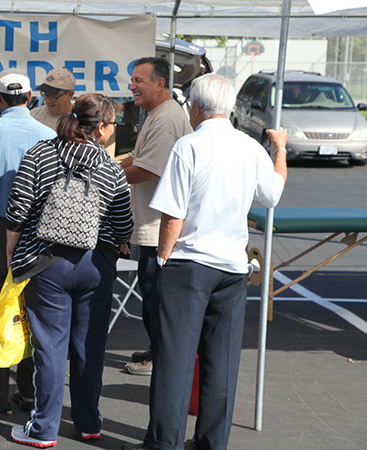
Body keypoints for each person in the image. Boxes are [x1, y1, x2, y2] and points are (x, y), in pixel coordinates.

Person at [124, 74, 288, 450]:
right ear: (230, 107)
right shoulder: (249, 148)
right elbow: (273, 194)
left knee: (174, 363)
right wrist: (279, 149)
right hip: (232, 268)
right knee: (221, 365)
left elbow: (172, 214)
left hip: (189, 265)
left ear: (195, 107)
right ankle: (212, 442)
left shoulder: (189, 146)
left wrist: (163, 259)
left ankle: (164, 444)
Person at [7, 94, 134, 447]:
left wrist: (11, 253)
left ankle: (43, 429)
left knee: (49, 348)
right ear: (102, 127)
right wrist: (120, 241)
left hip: (46, 263)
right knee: (89, 346)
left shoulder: (40, 154)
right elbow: (123, 221)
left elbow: (17, 209)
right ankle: (89, 422)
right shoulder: (110, 168)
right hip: (95, 265)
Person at [0, 69, 56, 414]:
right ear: (30, 97)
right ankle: (30, 390)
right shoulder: (47, 133)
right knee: (34, 304)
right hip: (37, 227)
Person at [119, 57, 192, 376]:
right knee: (152, 294)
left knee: (156, 295)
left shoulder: (164, 118)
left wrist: (102, 176)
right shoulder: (158, 114)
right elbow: (139, 157)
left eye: (139, 80)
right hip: (153, 224)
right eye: (132, 79)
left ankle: (161, 357)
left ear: (160, 84)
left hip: (159, 228)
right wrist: (110, 165)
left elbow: (147, 170)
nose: (132, 86)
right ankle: (158, 349)